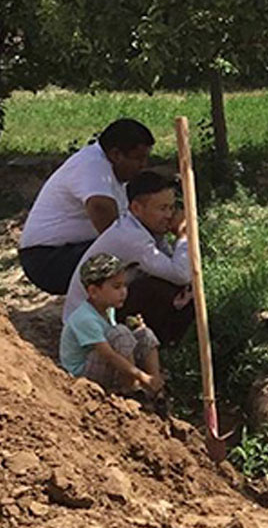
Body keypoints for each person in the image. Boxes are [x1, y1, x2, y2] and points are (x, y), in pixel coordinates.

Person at [19, 119, 154, 295]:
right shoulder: (92, 165)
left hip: (67, 250)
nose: (143, 165)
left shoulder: (110, 171)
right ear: (116, 154)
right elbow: (104, 213)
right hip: (48, 259)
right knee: (126, 262)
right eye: (138, 158)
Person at [63, 171, 194, 346]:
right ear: (137, 209)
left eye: (171, 208)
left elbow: (173, 266)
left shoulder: (144, 229)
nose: (169, 215)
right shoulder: (132, 237)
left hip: (102, 305)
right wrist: (183, 236)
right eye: (162, 209)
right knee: (157, 289)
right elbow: (180, 273)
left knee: (178, 290)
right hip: (86, 321)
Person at [59, 253, 164, 397]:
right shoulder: (85, 318)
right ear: (93, 291)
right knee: (121, 333)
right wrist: (141, 376)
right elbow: (109, 355)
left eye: (125, 286)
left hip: (101, 363)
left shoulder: (108, 310)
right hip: (82, 372)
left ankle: (156, 388)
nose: (123, 292)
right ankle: (132, 389)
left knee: (145, 334)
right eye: (117, 287)